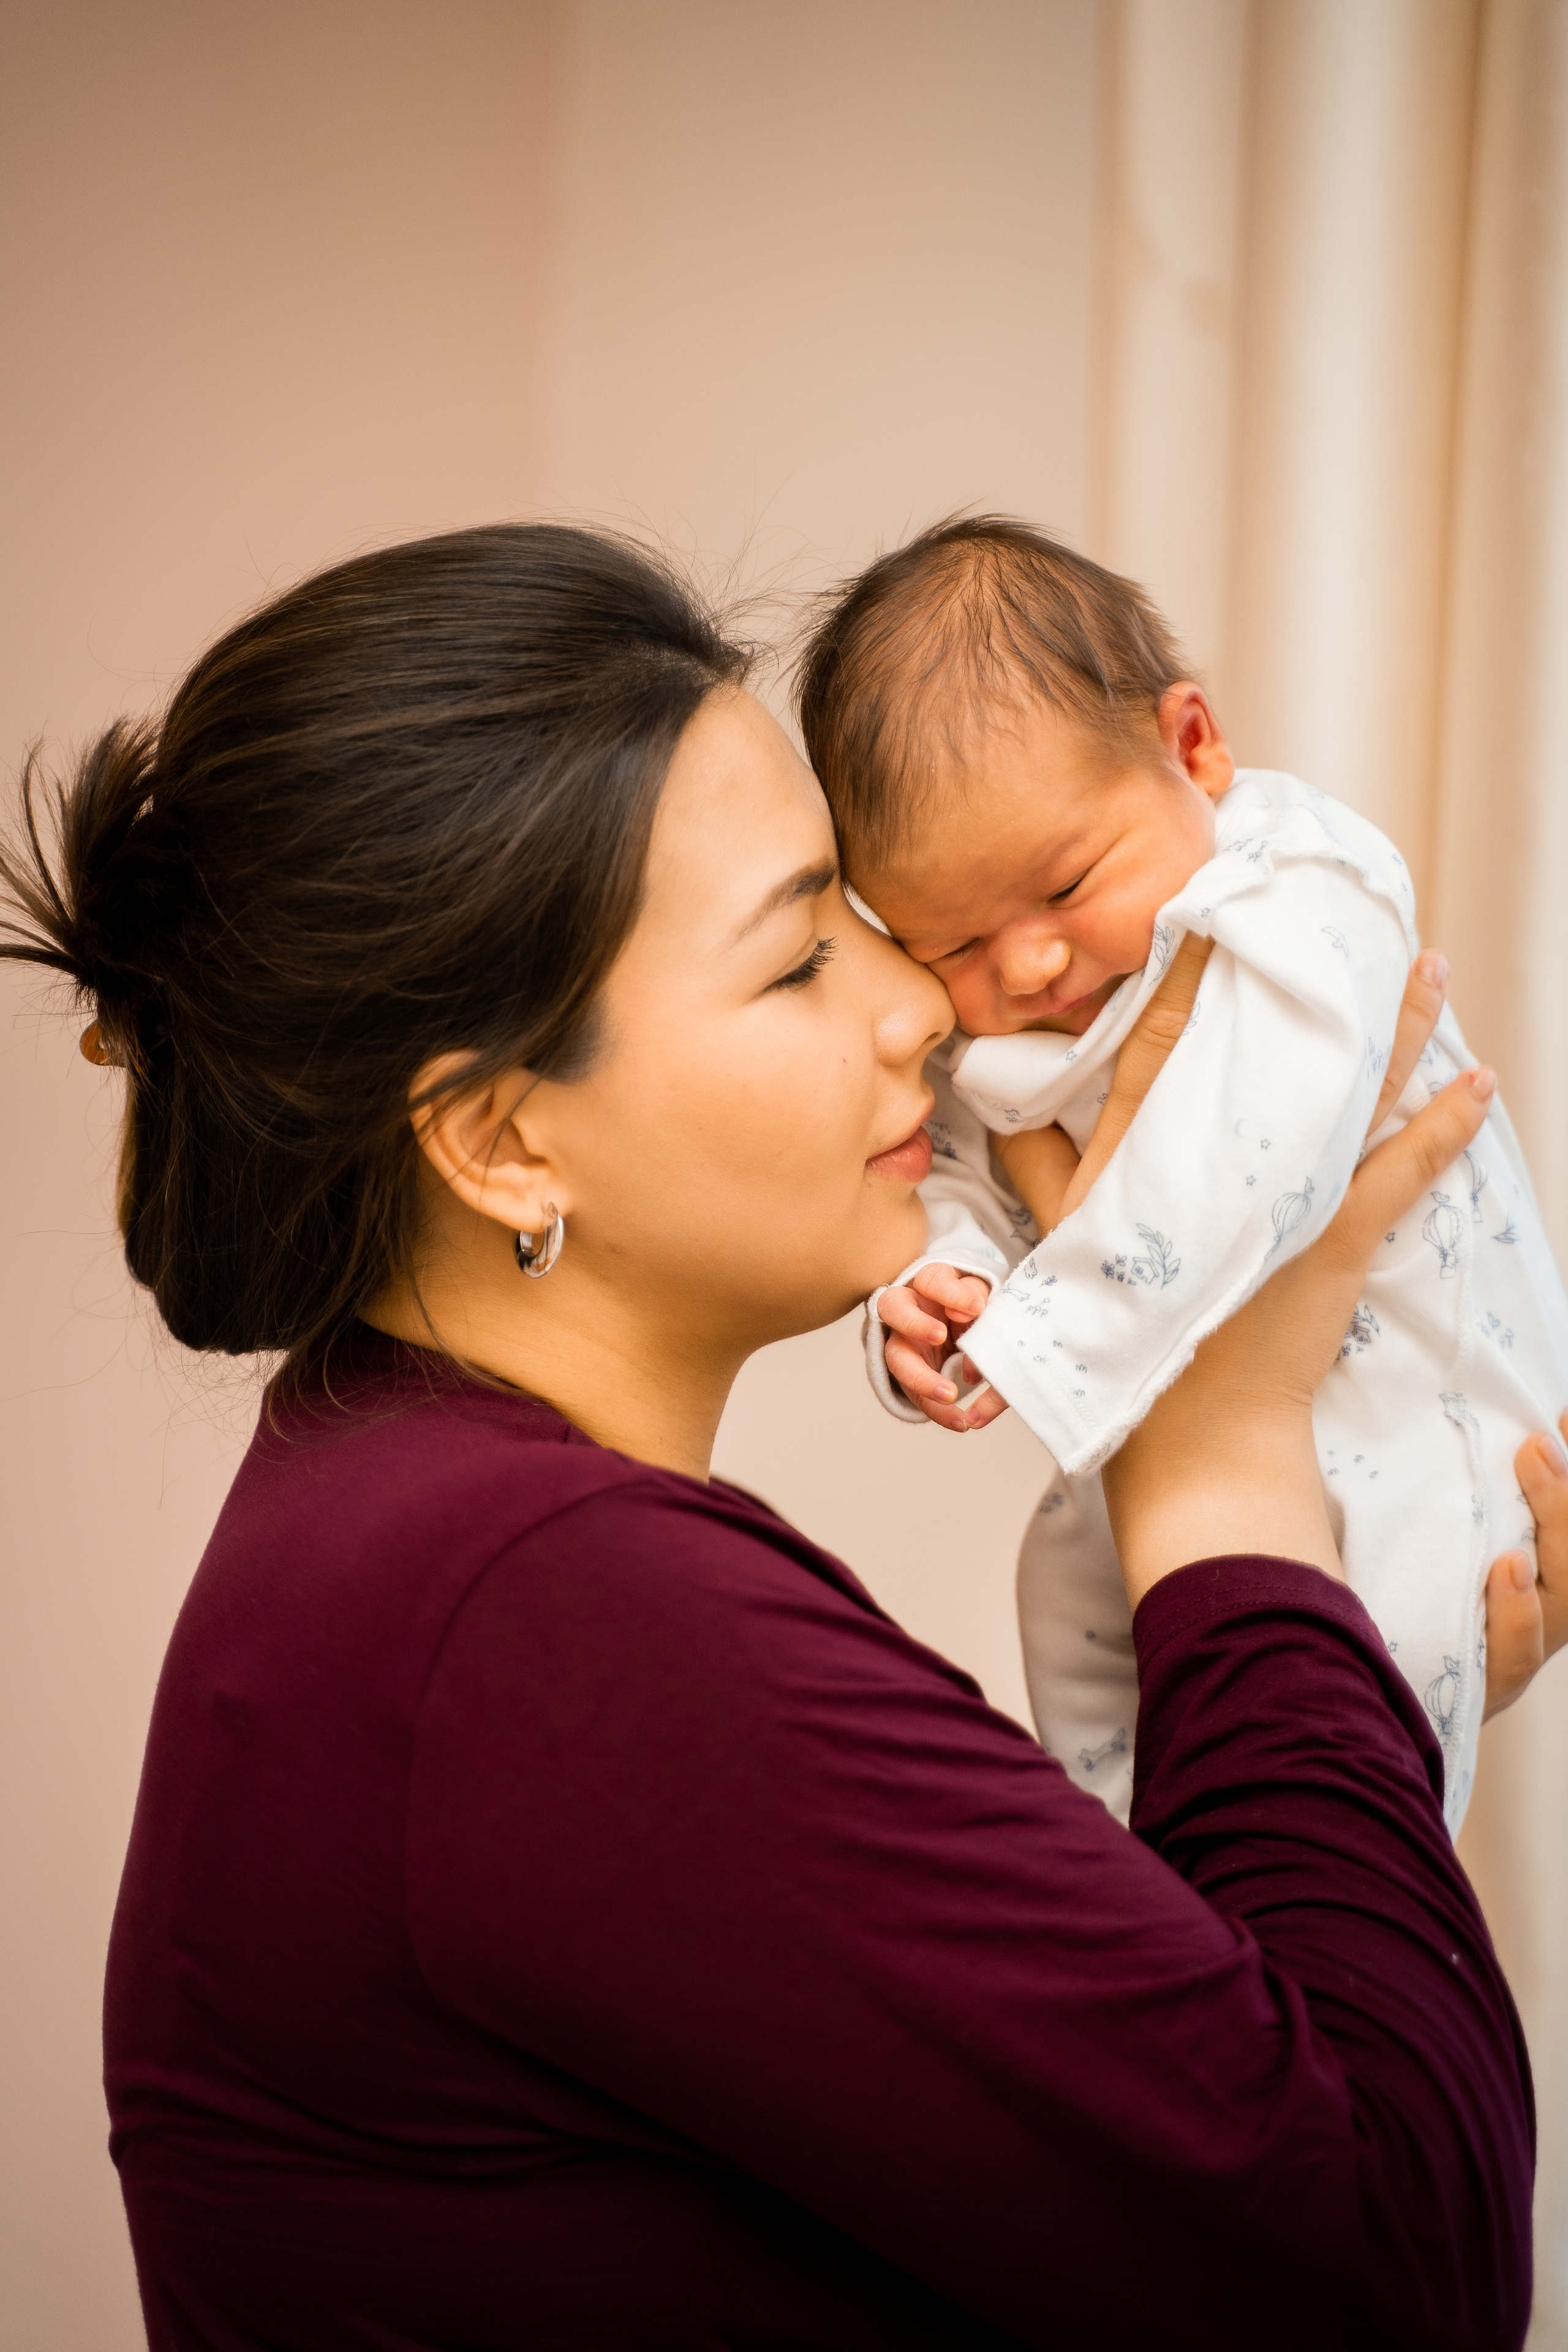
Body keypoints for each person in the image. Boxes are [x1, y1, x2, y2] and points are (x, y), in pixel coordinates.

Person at [1, 522, 1559, 2351]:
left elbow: (1172, 2118)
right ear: (504, 1139)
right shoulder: (545, 1622)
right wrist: (1223, 1450)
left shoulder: (415, 1535)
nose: (926, 1012)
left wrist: (1348, 1707)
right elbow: (1393, 2270)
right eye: (800, 959)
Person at [797, 513, 1568, 1830]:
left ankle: (1328, 1882)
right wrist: (935, 1284)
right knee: (1072, 1598)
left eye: (1065, 883)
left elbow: (1249, 1145)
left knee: (1360, 1689)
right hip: (1166, 1420)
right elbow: (965, 1174)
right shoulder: (1010, 1024)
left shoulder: (1293, 892)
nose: (1028, 968)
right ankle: (1146, 1872)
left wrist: (1052, 1331)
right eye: (955, 943)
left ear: (1191, 748)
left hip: (1412, 1402)